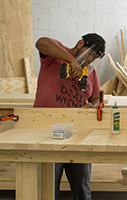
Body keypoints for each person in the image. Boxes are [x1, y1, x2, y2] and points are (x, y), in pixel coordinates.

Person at [34, 33, 106, 200]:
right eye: (89, 54)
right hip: (46, 132)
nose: (89, 60)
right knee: (48, 188)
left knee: (82, 188)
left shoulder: (91, 72)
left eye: (94, 58)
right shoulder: (56, 54)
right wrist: (72, 61)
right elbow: (41, 42)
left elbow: (96, 98)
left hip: (77, 134)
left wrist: (92, 106)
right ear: (80, 43)